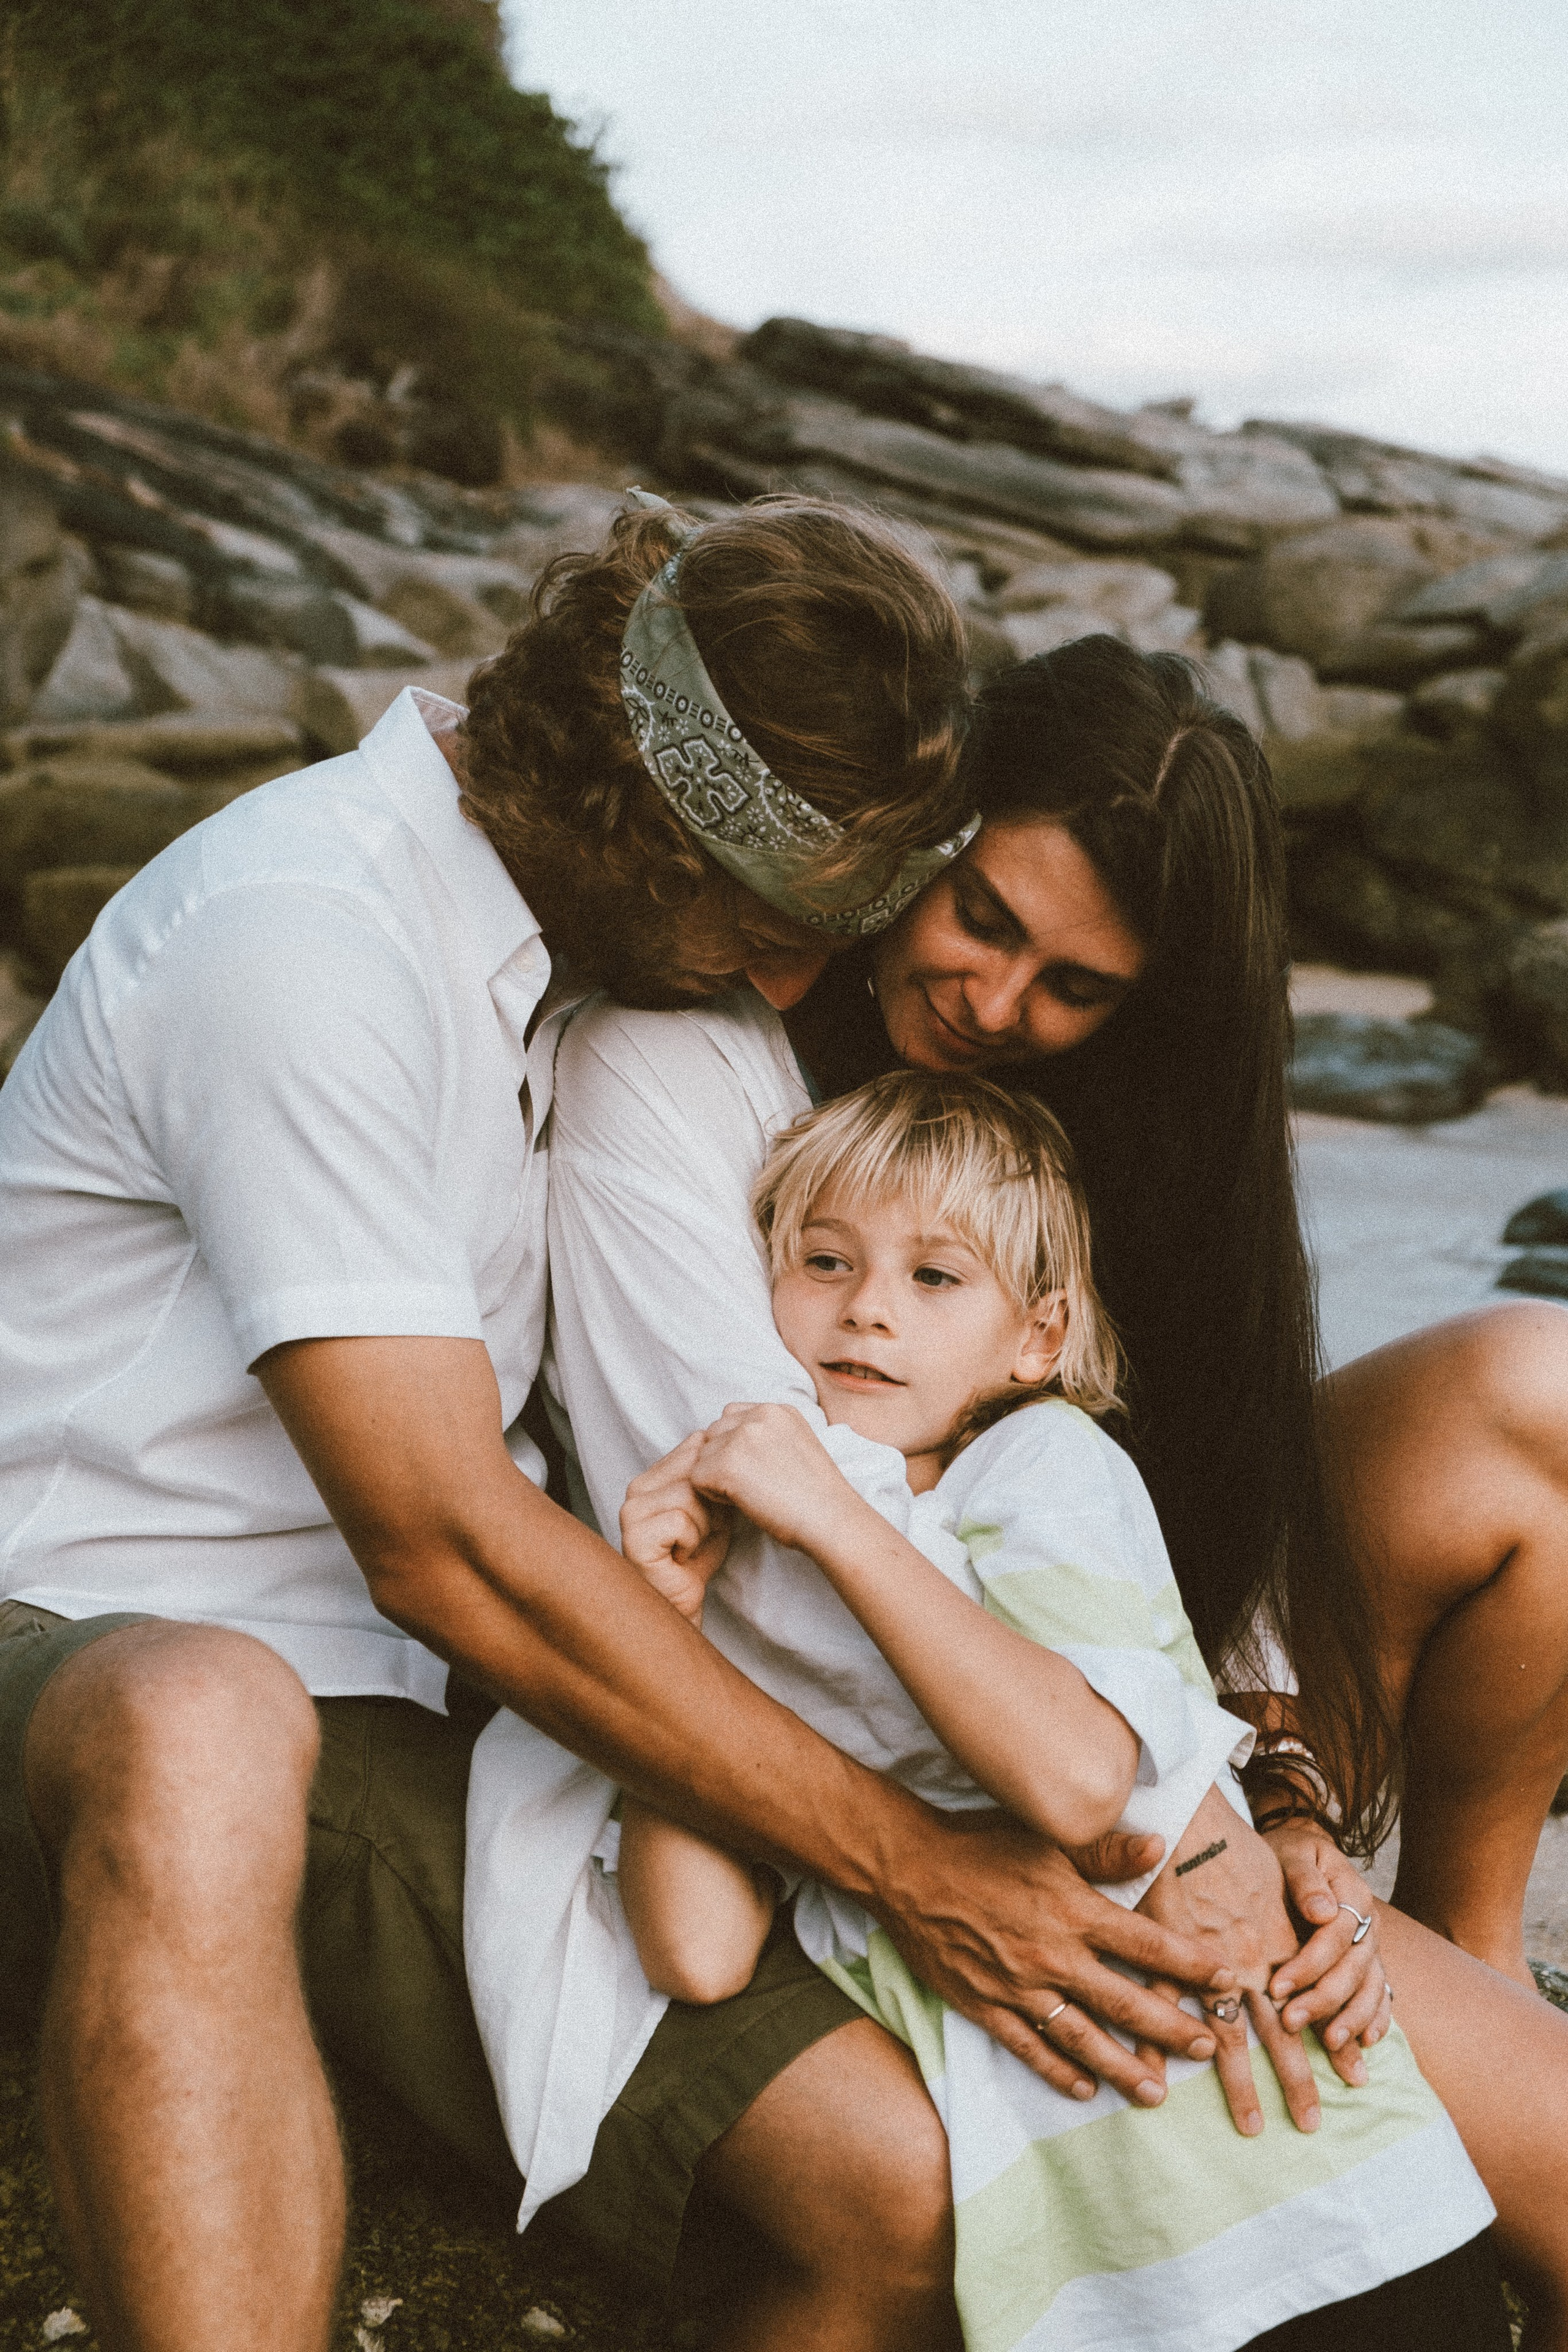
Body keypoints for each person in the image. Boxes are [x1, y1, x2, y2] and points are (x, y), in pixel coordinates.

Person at [4, 497, 1234, 2352]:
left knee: (897, 2186)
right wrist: (905, 1862)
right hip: (78, 1650)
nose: (808, 985)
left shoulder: (560, 976)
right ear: (648, 820)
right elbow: (436, 1542)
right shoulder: (304, 940)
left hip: (390, 1730)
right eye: (783, 918)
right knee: (207, 1717)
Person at [542, 632, 1568, 2346]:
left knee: (1539, 1386)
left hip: (1109, 1664)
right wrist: (1179, 1816)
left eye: (1078, 988)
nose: (999, 1009)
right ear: (922, 838)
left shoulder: (1125, 1131)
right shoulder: (711, 1057)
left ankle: (1453, 1939)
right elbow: (776, 1545)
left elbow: (1183, 1517)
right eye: (984, 920)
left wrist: (1288, 1804)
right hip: (963, 1729)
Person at [609, 1068, 1502, 2352]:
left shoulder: (1036, 1472)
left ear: (1035, 1339)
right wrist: (662, 1627)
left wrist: (827, 1517)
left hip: (1315, 2219)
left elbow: (1082, 1779)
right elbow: (692, 1949)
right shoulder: (786, 1589)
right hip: (1114, 2279)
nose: (865, 1311)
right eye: (822, 1261)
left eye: (933, 1278)